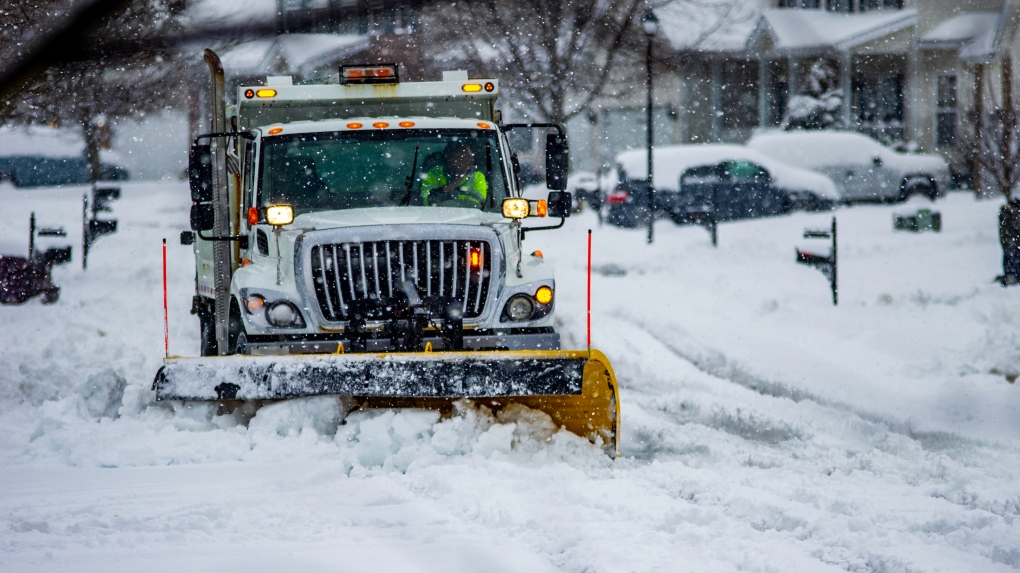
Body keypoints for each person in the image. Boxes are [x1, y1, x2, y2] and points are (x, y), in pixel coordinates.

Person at [420, 143, 488, 207]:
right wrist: (456, 181)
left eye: (471, 156)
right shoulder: (433, 174)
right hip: (434, 216)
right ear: (451, 159)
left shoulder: (477, 176)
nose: (472, 160)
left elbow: (477, 205)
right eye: (465, 157)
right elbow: (427, 200)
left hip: (468, 217)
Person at [1000, 197, 1020, 285]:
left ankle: (1012, 277)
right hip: (1011, 244)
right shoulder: (1007, 214)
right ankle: (1011, 277)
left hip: (1012, 244)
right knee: (1011, 259)